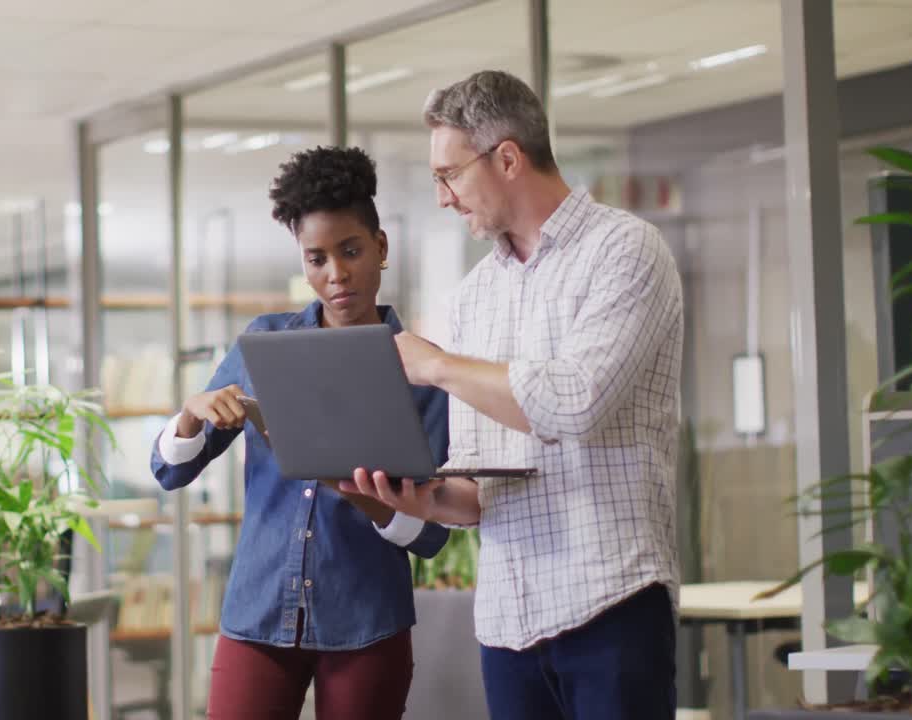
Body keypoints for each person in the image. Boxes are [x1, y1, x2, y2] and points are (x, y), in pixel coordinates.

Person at [341, 70, 685, 720]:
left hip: (609, 600)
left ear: (506, 157)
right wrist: (414, 496)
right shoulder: (474, 297)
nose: (442, 197)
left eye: (450, 175)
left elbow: (575, 401)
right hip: (506, 623)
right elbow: (477, 493)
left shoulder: (626, 251)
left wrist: (438, 367)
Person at [150, 145, 450, 720]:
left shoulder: (421, 369)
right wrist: (191, 413)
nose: (335, 275)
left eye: (351, 251)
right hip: (258, 612)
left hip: (366, 620)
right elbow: (171, 470)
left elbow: (431, 535)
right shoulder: (264, 343)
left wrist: (361, 494)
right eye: (316, 259)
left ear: (381, 248)